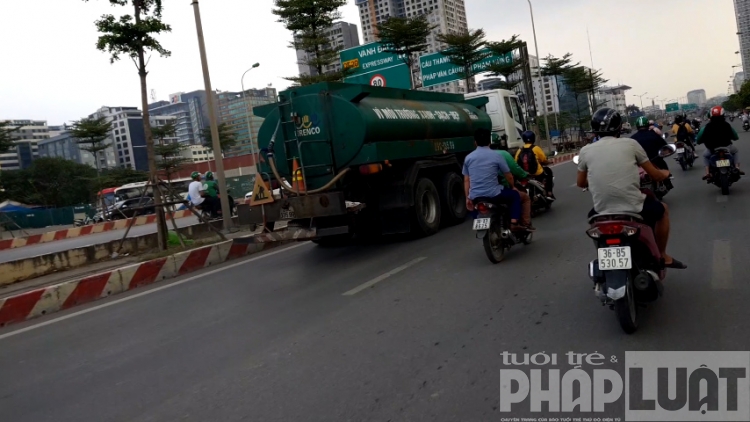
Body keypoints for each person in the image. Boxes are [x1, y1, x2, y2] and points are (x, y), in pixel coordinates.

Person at [576, 108, 686, 269]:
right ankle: (662, 255)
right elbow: (654, 175)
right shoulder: (631, 144)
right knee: (663, 210)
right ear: (620, 127)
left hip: (602, 211)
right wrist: (665, 173)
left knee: (593, 222)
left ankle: (604, 253)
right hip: (633, 208)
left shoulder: (585, 151)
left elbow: (580, 183)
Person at [463, 128, 527, 230]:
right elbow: (509, 176)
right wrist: (513, 187)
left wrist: (467, 197)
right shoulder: (497, 156)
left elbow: (467, 180)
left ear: (475, 143)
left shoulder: (468, 158)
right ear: (489, 142)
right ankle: (514, 223)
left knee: (473, 207)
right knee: (515, 195)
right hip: (494, 194)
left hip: (476, 197)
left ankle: (481, 224)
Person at [490, 135, 534, 229]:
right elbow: (513, 170)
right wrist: (523, 176)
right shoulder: (502, 154)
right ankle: (523, 224)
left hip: (479, 193)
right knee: (523, 197)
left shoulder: (473, 157)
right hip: (500, 189)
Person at [696, 105, 743, 178]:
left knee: (705, 156)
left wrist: (699, 142)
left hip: (712, 149)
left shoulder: (707, 127)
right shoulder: (727, 125)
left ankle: (707, 173)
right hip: (727, 147)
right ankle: (737, 168)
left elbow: (698, 139)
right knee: (735, 151)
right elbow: (735, 136)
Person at [514, 130, 555, 200]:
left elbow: (515, 162)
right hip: (537, 173)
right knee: (549, 172)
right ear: (533, 138)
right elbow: (543, 159)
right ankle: (549, 192)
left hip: (523, 174)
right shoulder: (536, 148)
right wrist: (548, 162)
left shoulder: (519, 150)